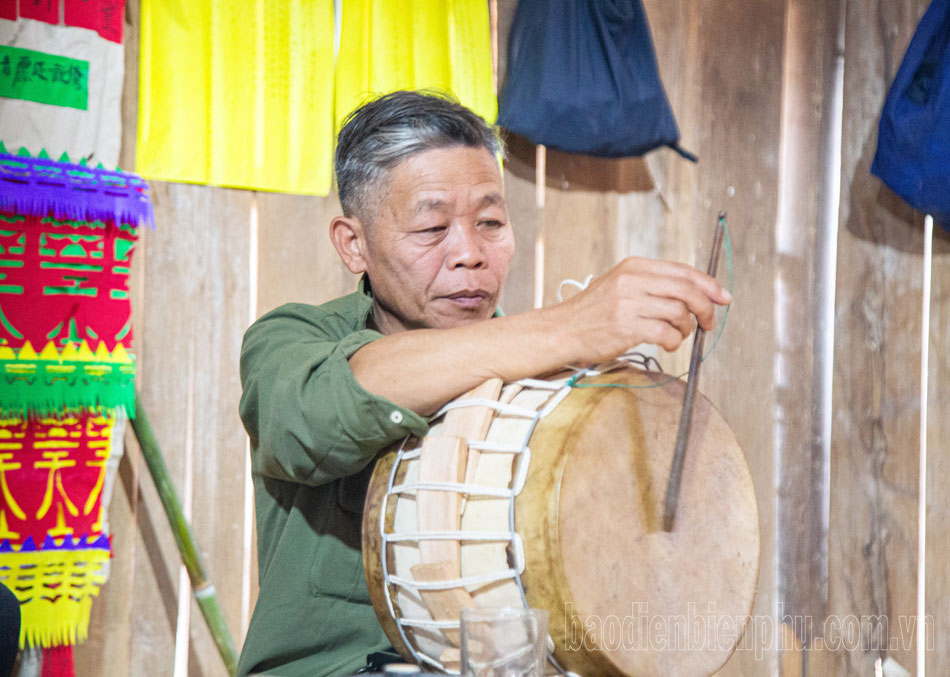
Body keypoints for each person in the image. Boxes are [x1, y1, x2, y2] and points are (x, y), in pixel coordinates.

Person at [236, 90, 731, 676]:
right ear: (355, 244)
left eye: (490, 222)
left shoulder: (547, 378)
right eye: (432, 226)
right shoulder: (291, 341)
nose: (470, 253)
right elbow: (322, 409)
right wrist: (573, 325)